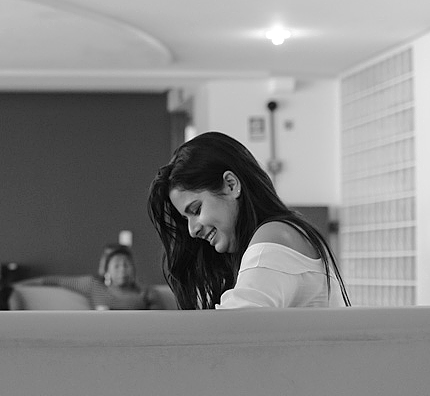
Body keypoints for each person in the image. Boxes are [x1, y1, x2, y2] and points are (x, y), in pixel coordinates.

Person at [147, 130, 351, 309]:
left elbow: (232, 335)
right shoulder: (285, 231)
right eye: (186, 219)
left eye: (196, 209)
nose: (192, 230)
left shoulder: (274, 237)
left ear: (230, 184)